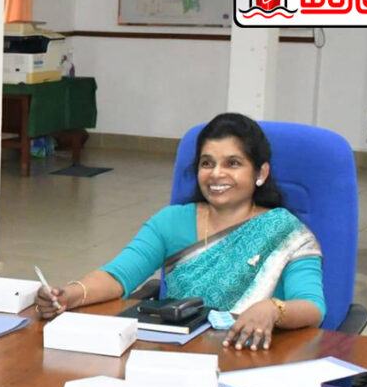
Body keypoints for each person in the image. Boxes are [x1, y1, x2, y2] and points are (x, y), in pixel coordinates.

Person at [36, 113, 326, 351]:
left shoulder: (285, 231)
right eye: (207, 163)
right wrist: (69, 295)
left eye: (233, 163)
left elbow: (312, 307)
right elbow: (118, 276)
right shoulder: (171, 222)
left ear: (261, 173)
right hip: (178, 355)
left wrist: (273, 309)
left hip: (253, 356)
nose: (216, 173)